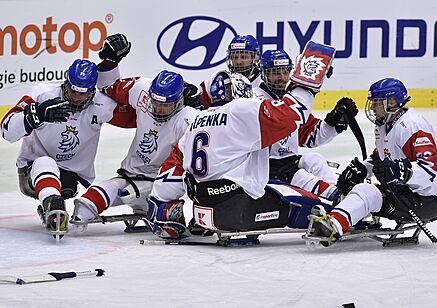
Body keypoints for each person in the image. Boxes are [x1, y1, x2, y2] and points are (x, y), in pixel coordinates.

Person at [146, 44, 340, 239]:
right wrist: (307, 84)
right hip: (239, 209)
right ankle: (344, 212)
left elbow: (174, 165)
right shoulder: (239, 111)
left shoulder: (197, 120)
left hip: (204, 208)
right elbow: (288, 117)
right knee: (316, 207)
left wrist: (159, 201)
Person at [72, 34, 199, 225]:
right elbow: (108, 88)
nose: (158, 108)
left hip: (161, 184)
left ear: (179, 101)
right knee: (85, 205)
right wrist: (110, 61)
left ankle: (166, 209)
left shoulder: (188, 118)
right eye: (155, 102)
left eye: (166, 105)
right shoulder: (142, 91)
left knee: (165, 218)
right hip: (129, 175)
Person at [0, 57, 135, 237]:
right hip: (31, 172)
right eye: (73, 90)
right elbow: (6, 129)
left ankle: (53, 200)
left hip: (69, 177)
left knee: (64, 182)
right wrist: (35, 115)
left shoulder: (102, 105)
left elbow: (140, 117)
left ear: (92, 91)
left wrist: (110, 65)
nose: (77, 97)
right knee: (45, 162)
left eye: (83, 93)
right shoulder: (43, 94)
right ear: (66, 82)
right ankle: (51, 201)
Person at [311, 78, 437, 246]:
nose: (373, 107)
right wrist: (363, 168)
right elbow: (381, 157)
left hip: (425, 200)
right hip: (404, 192)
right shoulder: (383, 125)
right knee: (354, 186)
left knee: (366, 191)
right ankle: (341, 215)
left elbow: (428, 170)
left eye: (377, 102)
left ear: (392, 101)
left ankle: (333, 225)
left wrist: (401, 172)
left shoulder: (413, 125)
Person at [254, 49, 358, 200]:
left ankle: (340, 190)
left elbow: (310, 137)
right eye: (275, 73)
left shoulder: (290, 100)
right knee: (301, 177)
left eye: (285, 72)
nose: (282, 78)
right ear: (264, 74)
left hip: (287, 163)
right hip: (263, 168)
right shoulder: (255, 98)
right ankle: (336, 197)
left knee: (313, 159)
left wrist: (334, 122)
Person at [199, 34, 261, 109]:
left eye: (244, 57)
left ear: (256, 58)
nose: (238, 62)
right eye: (234, 57)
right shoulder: (212, 83)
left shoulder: (265, 84)